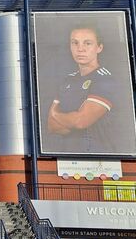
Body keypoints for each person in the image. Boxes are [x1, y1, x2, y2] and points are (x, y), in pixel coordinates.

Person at [46, 24, 122, 153]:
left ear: (99, 47)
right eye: (75, 43)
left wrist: (58, 115)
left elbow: (81, 121)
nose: (80, 49)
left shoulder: (105, 79)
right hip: (68, 156)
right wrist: (73, 119)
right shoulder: (67, 81)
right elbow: (52, 126)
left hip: (100, 156)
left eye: (87, 43)